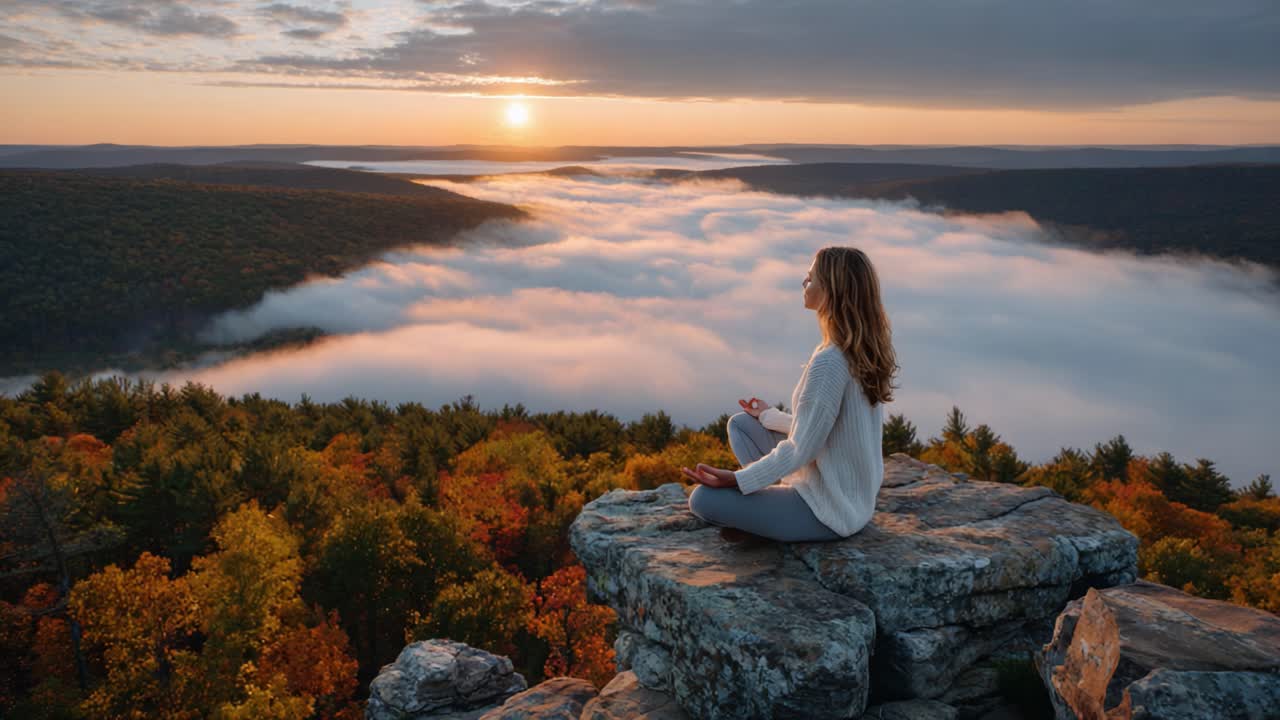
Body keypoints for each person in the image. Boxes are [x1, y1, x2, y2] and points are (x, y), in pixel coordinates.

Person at [681, 246, 899, 542]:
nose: (804, 282)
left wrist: (738, 480)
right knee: (742, 425)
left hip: (827, 512)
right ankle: (767, 517)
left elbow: (802, 448)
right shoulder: (858, 351)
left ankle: (769, 523)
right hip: (853, 501)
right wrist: (768, 416)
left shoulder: (829, 362)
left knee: (703, 499)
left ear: (831, 290)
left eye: (811, 278)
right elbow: (825, 429)